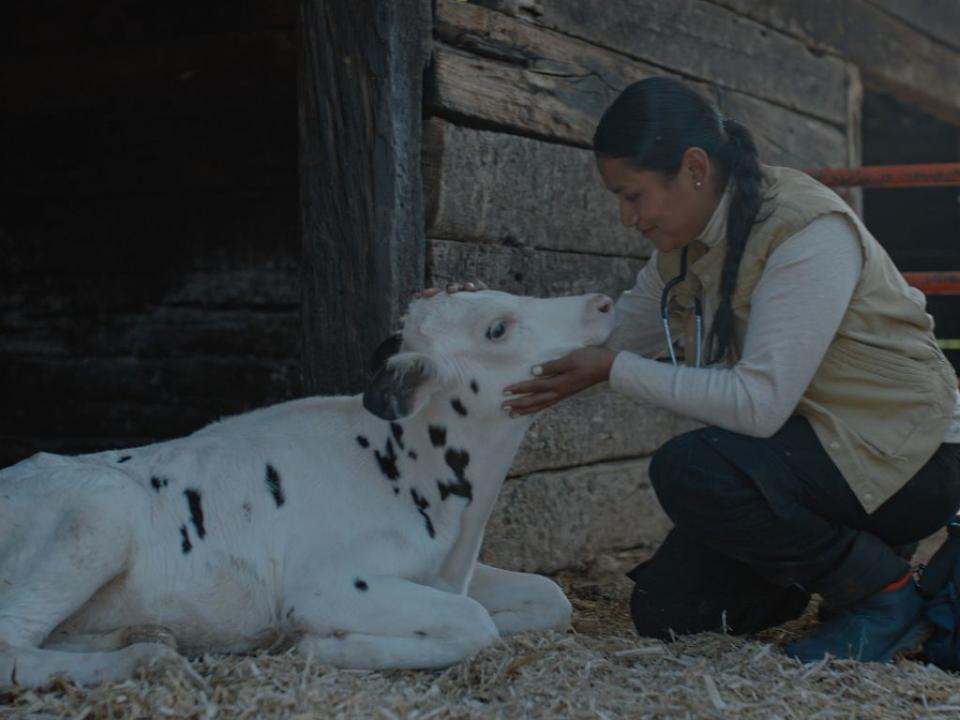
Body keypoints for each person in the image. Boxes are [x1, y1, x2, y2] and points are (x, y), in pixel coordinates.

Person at [439, 76, 960, 663]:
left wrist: (616, 371)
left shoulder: (807, 230)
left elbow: (759, 406)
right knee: (669, 612)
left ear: (693, 168)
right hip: (813, 455)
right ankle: (860, 563)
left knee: (693, 468)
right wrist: (479, 325)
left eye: (632, 195)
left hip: (905, 456)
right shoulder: (683, 247)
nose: (624, 216)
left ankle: (882, 593)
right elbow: (606, 334)